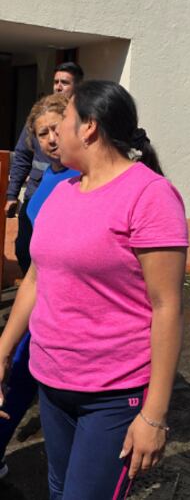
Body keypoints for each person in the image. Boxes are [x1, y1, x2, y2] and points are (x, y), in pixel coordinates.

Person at [0, 81, 186, 499]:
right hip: (51, 382)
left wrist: (154, 414)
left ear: (88, 128)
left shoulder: (150, 195)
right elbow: (35, 277)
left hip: (114, 395)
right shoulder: (62, 190)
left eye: (62, 121)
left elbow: (167, 306)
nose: (51, 136)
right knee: (58, 487)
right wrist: (3, 349)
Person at [0, 94, 81, 480]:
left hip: (63, 307)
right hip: (37, 294)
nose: (50, 139)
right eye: (41, 133)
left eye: (55, 129)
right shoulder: (47, 177)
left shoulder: (81, 178)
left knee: (20, 378)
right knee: (16, 375)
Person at [5, 62, 84, 274]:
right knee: (25, 250)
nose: (58, 87)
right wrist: (12, 194)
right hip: (36, 192)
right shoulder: (39, 117)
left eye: (65, 82)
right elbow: (21, 156)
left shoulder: (84, 174)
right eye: (56, 82)